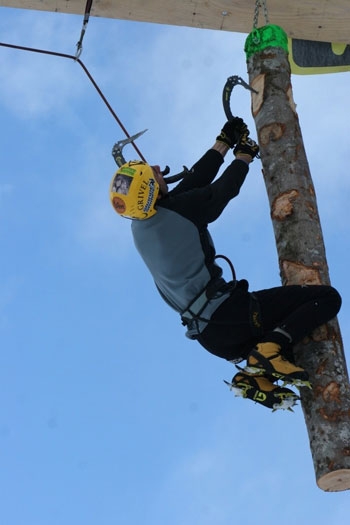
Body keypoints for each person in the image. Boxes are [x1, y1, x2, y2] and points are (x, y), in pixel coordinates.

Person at [109, 118, 342, 411]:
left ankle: (253, 376)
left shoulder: (143, 225)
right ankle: (267, 353)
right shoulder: (178, 210)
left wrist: (224, 142)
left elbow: (194, 180)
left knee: (293, 347)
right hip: (231, 313)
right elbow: (221, 191)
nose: (158, 169)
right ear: (150, 191)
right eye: (152, 174)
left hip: (212, 336)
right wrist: (243, 156)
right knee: (326, 299)